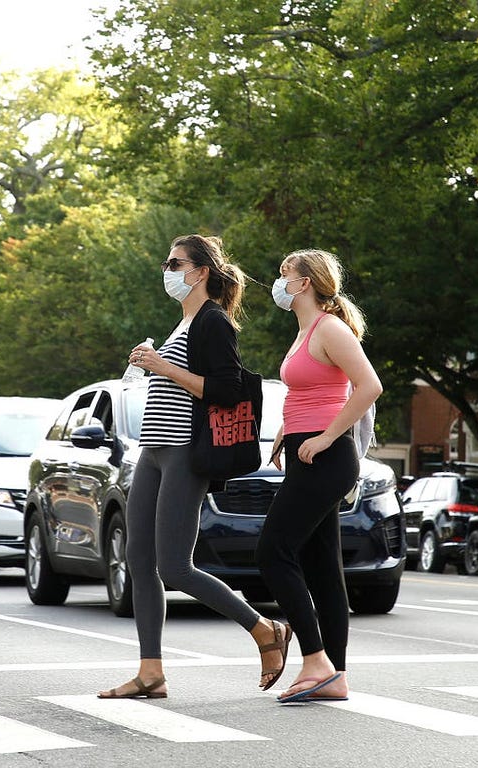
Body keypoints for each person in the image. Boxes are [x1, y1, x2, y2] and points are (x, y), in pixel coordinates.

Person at [97, 234, 292, 699]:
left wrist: (162, 366)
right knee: (138, 560)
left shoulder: (213, 322)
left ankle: (264, 628)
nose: (167, 270)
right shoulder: (182, 322)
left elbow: (225, 390)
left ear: (200, 271)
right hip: (153, 451)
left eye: (174, 262)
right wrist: (153, 363)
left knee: (174, 568)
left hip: (185, 451)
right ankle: (151, 672)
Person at [256, 248, 382, 704]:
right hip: (305, 450)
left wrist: (327, 437)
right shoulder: (306, 330)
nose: (279, 281)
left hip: (326, 458)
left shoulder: (330, 328)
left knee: (272, 552)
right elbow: (313, 391)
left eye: (284, 273)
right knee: (323, 567)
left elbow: (369, 386)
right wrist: (283, 434)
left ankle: (315, 660)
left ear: (305, 282)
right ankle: (337, 676)